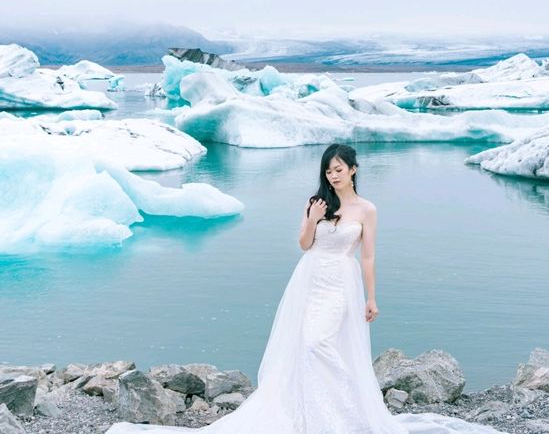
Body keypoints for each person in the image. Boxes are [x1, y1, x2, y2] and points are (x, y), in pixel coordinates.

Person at [106, 144, 503, 434]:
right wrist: (312, 218)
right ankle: (317, 411)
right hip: (310, 275)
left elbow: (367, 257)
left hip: (341, 281)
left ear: (353, 169)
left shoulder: (367, 209)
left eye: (339, 168)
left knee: (320, 342)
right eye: (328, 170)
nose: (333, 175)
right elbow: (302, 245)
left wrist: (372, 297)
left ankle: (348, 406)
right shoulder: (316, 202)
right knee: (305, 344)